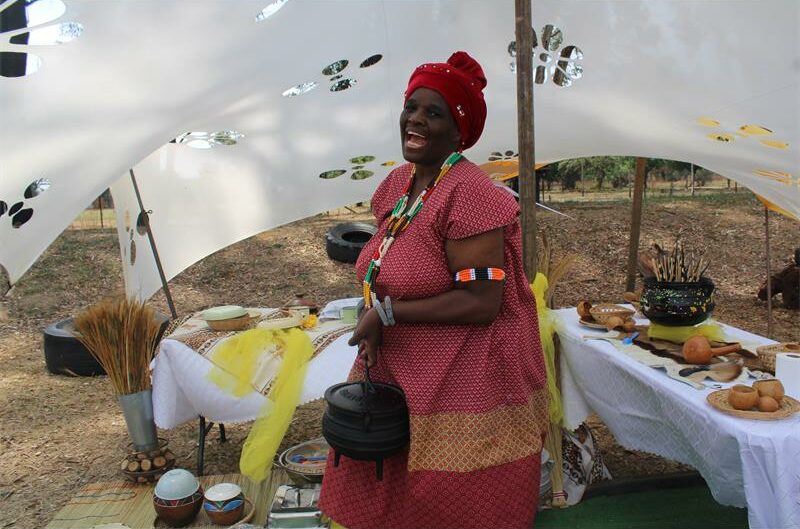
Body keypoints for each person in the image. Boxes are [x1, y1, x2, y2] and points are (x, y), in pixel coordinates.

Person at [318, 51, 548, 529]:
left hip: (466, 375)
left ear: (459, 131)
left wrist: (388, 313)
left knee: (455, 499)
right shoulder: (399, 184)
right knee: (387, 491)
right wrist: (378, 311)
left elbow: (481, 302)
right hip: (399, 365)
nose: (416, 119)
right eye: (412, 107)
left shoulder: (472, 195)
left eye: (434, 112)